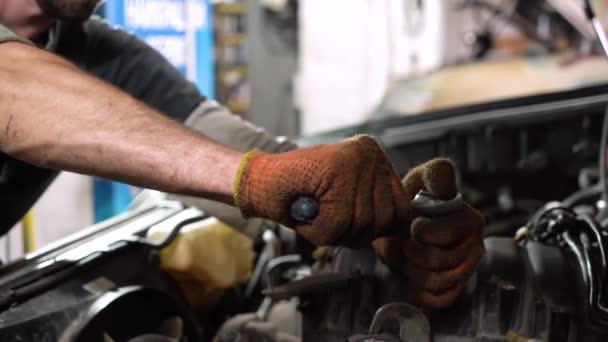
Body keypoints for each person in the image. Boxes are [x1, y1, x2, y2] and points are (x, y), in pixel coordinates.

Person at [0, 0, 483, 309]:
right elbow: (13, 91)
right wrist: (253, 178)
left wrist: (382, 223)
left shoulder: (97, 50)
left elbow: (231, 145)